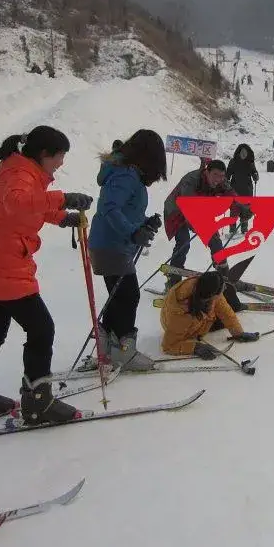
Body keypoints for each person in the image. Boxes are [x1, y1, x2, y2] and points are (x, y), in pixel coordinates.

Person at [0, 126, 93, 425]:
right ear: (44, 154)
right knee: (41, 329)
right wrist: (63, 199)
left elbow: (28, 207)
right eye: (59, 156)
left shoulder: (20, 171)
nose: (61, 163)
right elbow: (19, 203)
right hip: (6, 269)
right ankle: (38, 403)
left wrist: (62, 217)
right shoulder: (21, 175)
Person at [85, 129, 167, 372]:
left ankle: (108, 349)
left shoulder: (127, 173)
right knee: (129, 296)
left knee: (119, 297)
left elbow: (125, 210)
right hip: (111, 245)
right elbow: (109, 208)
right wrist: (132, 232)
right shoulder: (126, 175)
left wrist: (143, 224)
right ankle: (124, 351)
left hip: (111, 244)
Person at [162, 159, 246, 290]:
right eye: (215, 175)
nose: (218, 179)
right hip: (176, 211)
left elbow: (232, 196)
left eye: (221, 176)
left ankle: (224, 275)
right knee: (183, 242)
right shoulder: (191, 180)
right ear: (207, 172)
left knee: (215, 240)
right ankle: (173, 280)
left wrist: (242, 208)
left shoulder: (221, 182)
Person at [160, 272, 259, 359]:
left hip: (201, 318)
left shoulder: (208, 289)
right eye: (222, 287)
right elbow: (168, 346)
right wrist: (195, 347)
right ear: (211, 295)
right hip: (185, 329)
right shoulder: (181, 314)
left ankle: (237, 302)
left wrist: (238, 333)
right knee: (228, 309)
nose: (224, 287)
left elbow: (225, 312)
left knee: (231, 302)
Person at [226, 144, 259, 235]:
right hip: (234, 189)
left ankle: (244, 229)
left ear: (248, 153)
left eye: (245, 152)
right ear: (238, 152)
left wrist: (255, 176)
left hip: (247, 190)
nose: (244, 154)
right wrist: (226, 179)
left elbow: (254, 172)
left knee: (245, 211)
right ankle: (232, 230)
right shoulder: (233, 161)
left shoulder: (250, 162)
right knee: (234, 210)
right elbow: (228, 172)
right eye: (242, 152)